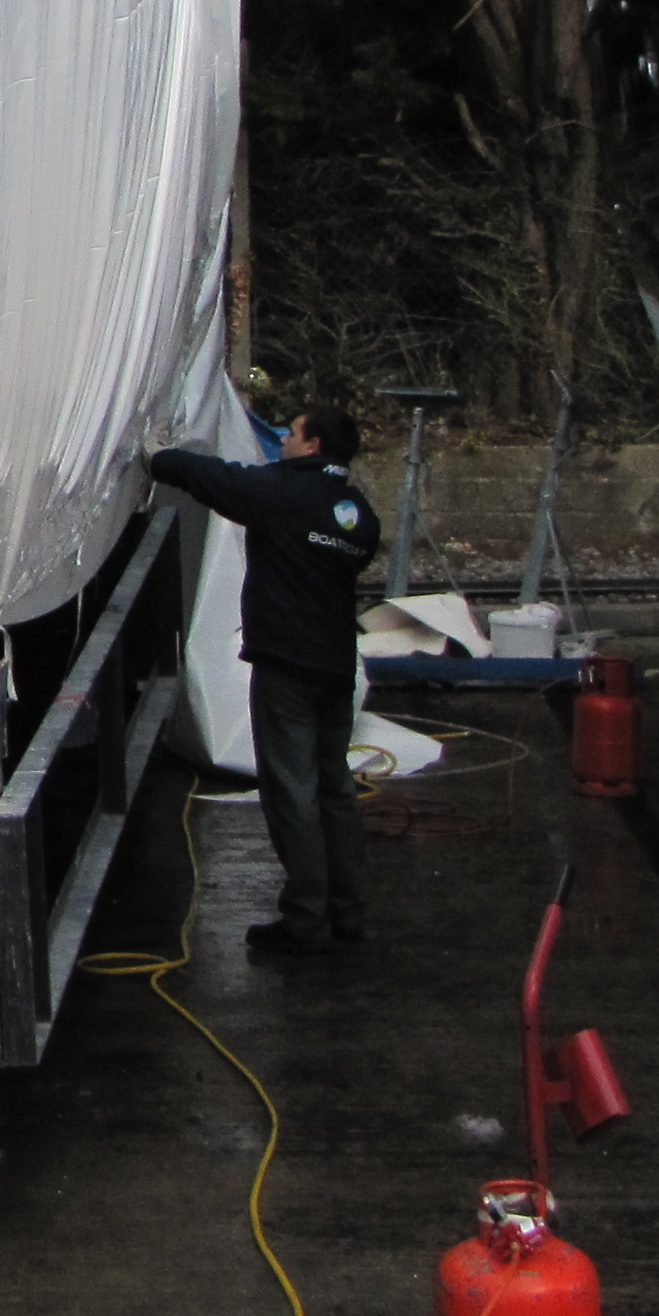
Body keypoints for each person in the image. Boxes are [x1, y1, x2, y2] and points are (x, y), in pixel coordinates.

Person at [149, 407, 384, 958]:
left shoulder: (282, 493)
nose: (281, 438)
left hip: (287, 668)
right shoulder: (357, 513)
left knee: (291, 791)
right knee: (335, 787)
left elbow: (216, 480)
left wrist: (158, 458)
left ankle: (304, 918)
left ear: (313, 445)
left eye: (291, 432)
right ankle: (348, 911)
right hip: (334, 667)